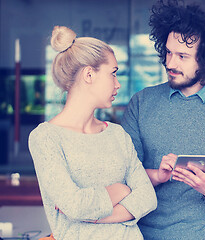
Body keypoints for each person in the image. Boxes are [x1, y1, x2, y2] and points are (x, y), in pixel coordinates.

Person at [121, 1, 205, 239]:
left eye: (182, 56)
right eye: (169, 52)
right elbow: (125, 175)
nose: (170, 63)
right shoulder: (141, 103)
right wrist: (158, 175)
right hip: (139, 235)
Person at [28, 26, 157, 240]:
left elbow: (147, 198)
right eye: (113, 74)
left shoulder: (117, 134)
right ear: (89, 74)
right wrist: (121, 189)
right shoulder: (45, 138)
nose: (118, 84)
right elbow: (75, 206)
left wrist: (97, 217)